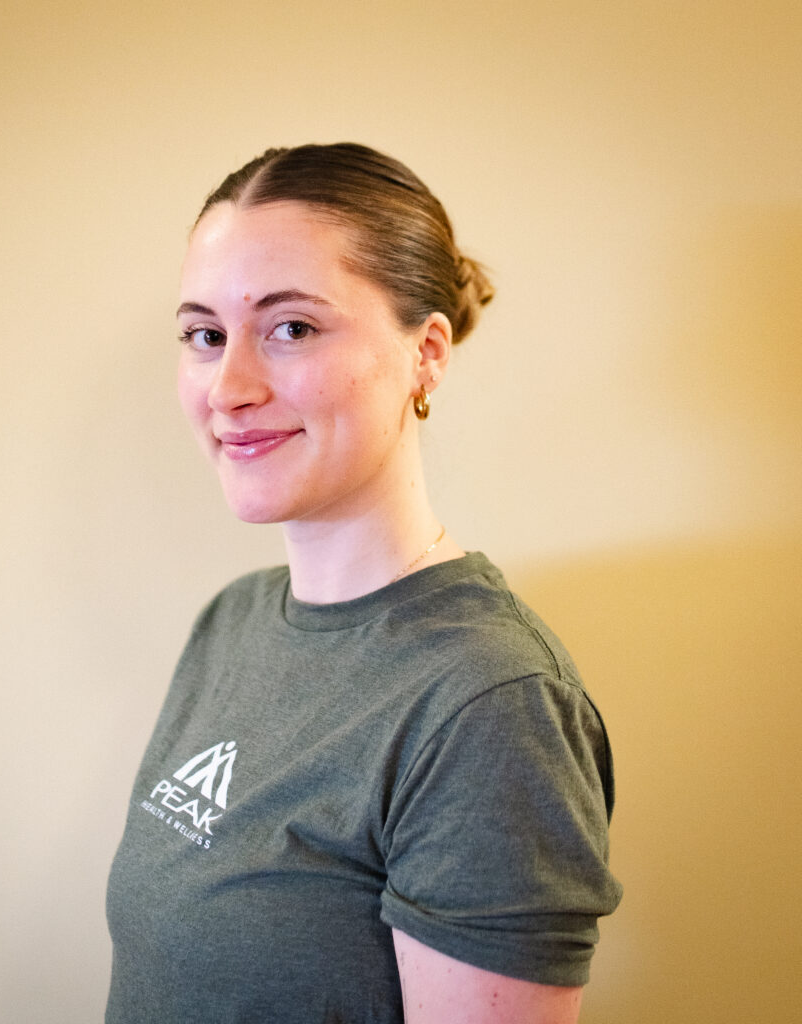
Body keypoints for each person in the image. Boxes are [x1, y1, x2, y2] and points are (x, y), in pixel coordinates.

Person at [105, 143, 621, 1023]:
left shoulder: (489, 704)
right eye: (205, 335)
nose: (229, 388)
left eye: (292, 328)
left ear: (427, 353)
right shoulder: (232, 622)